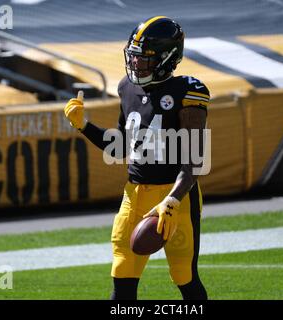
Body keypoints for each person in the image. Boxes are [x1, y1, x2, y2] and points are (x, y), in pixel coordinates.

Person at [64, 16, 209, 300]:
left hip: (177, 196)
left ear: (168, 58)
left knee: (184, 275)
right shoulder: (127, 87)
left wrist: (172, 201)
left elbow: (194, 163)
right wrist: (84, 125)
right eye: (134, 57)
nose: (135, 65)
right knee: (122, 271)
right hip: (134, 193)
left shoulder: (188, 92)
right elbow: (120, 148)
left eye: (144, 59)